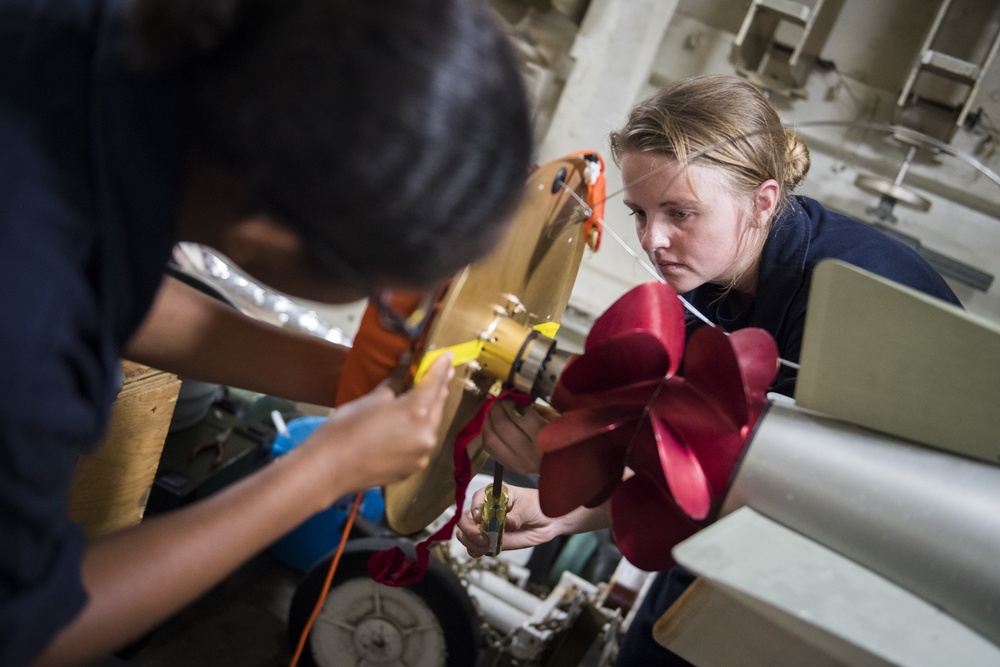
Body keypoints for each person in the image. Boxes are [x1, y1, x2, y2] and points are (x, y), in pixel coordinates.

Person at [0, 0, 532, 664]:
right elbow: (30, 625)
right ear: (268, 234)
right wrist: (318, 473)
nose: (400, 312)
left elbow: (117, 291)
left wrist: (358, 377)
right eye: (393, 300)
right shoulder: (32, 325)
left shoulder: (113, 52)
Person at [456, 73, 960, 664]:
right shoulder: (712, 286)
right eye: (641, 213)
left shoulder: (855, 298)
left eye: (680, 213)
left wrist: (575, 474)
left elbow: (790, 501)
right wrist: (564, 505)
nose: (653, 240)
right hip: (726, 553)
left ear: (763, 201)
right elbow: (685, 463)